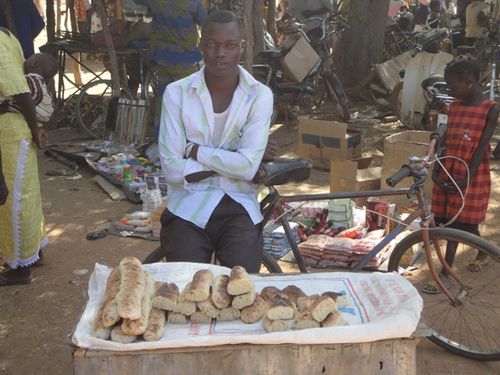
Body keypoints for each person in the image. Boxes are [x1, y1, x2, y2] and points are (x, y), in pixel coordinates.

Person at [158, 10, 274, 272]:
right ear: (201, 45)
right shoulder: (176, 94)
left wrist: (194, 150)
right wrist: (234, 158)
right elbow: (173, 170)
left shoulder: (259, 96)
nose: (220, 53)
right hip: (188, 205)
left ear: (241, 48)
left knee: (242, 290)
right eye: (212, 44)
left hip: (239, 204)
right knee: (186, 288)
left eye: (230, 45)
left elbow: (246, 169)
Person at [423, 55, 499, 293]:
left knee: (459, 222)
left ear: (467, 81)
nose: (450, 90)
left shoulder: (491, 109)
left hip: (471, 173)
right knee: (452, 219)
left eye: (452, 85)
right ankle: (484, 249)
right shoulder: (452, 107)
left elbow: (481, 148)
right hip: (448, 169)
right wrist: (437, 166)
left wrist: (466, 177)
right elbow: (444, 136)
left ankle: (446, 271)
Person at [0, 27, 48, 286]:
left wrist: (35, 129)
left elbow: (20, 91)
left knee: (11, 199)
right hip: (15, 128)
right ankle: (33, 253)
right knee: (26, 195)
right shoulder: (7, 34)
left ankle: (20, 268)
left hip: (9, 131)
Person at [132, 0, 208, 135]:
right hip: (185, 60)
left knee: (163, 99)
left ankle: (161, 137)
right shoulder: (193, 3)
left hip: (162, 59)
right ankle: (188, 139)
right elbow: (206, 22)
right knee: (189, 102)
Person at [0, 53, 58, 123]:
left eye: (29, 58)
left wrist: (7, 108)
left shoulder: (33, 79)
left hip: (39, 111)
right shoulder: (38, 81)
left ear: (34, 63)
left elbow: (33, 98)